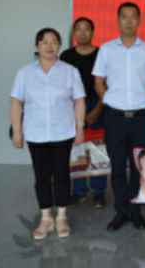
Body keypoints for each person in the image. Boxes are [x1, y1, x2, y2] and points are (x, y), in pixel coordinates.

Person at [10, 28, 86, 240]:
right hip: (35, 133)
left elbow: (79, 100)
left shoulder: (70, 71)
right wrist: (17, 131)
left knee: (62, 175)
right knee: (41, 176)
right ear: (37, 46)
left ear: (59, 46)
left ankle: (61, 216)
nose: (49, 46)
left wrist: (80, 128)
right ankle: (45, 218)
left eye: (54, 42)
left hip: (63, 132)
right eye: (44, 42)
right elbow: (16, 102)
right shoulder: (24, 73)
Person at [93, 2, 145, 232]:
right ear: (118, 20)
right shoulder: (106, 49)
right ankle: (121, 211)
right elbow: (98, 81)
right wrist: (109, 100)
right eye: (124, 17)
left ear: (139, 21)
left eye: (133, 17)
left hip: (141, 116)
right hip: (115, 117)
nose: (129, 21)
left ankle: (135, 210)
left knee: (139, 165)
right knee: (118, 166)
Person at [60, 17, 107, 208]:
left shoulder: (102, 54)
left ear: (93, 32)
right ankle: (79, 191)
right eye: (78, 29)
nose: (82, 33)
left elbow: (107, 84)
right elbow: (62, 86)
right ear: (74, 33)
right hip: (72, 106)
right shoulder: (66, 56)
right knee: (76, 150)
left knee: (98, 151)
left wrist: (98, 109)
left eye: (86, 29)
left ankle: (99, 192)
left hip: (98, 105)